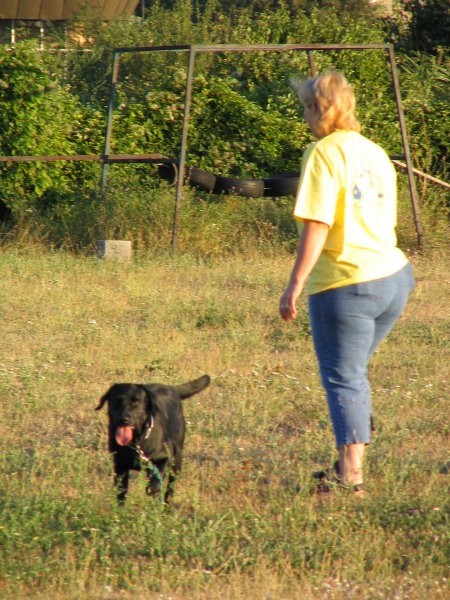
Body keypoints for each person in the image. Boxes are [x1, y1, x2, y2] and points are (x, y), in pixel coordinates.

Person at [279, 70, 414, 495]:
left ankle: (350, 479)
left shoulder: (322, 152)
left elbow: (318, 223)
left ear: (322, 108)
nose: (304, 115)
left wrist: (294, 284)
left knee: (344, 378)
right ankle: (348, 457)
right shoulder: (375, 151)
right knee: (353, 374)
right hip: (394, 277)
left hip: (345, 284)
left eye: (307, 106)